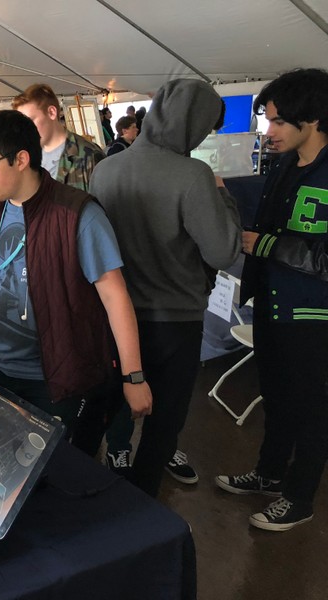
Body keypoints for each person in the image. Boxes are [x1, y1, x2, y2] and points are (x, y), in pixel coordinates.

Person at [0, 110, 152, 455]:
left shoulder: (77, 215)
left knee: (56, 470)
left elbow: (115, 298)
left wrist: (133, 377)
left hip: (54, 380)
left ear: (21, 159)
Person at [89, 78, 242, 498]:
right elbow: (223, 251)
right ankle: (143, 502)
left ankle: (92, 494)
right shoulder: (194, 175)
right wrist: (224, 196)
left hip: (113, 316)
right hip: (175, 319)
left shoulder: (106, 169)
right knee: (164, 422)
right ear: (195, 125)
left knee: (107, 406)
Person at [215, 68, 328, 532]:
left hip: (314, 316)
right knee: (277, 398)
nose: (268, 131)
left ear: (314, 118)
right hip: (272, 307)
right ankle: (268, 472)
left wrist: (262, 245)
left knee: (312, 409)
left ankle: (300, 498)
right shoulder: (283, 166)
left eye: (279, 121)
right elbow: (252, 199)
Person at [13, 83, 105, 192]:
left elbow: (105, 205)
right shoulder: (27, 159)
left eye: (30, 121)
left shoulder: (89, 156)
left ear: (52, 112)